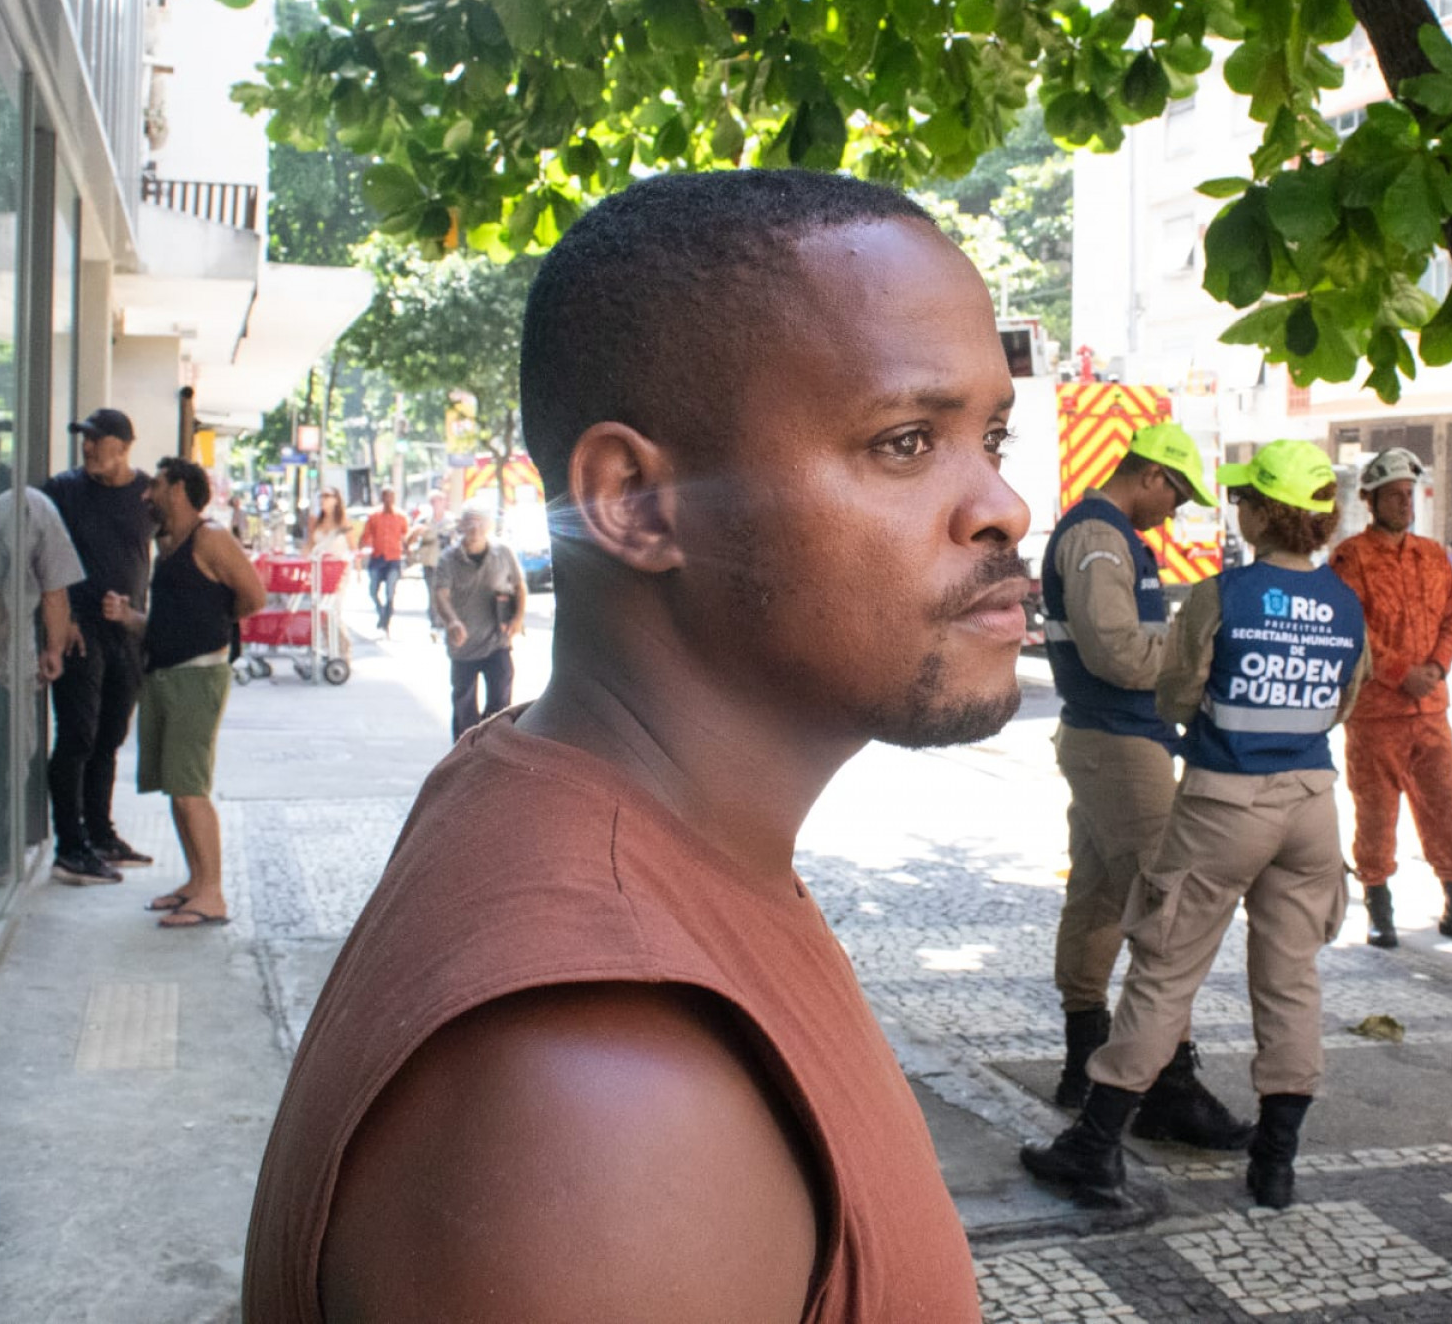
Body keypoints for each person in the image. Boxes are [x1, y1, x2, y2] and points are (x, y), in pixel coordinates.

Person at [244, 171, 1018, 1322]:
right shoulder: (603, 1105)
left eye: (990, 435)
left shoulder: (571, 800)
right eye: (906, 441)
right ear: (634, 502)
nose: (1001, 502)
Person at [1020, 440, 1368, 1212]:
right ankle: (1274, 1165)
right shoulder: (1346, 602)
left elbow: (1178, 693)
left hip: (1226, 801)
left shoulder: (1223, 593)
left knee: (1165, 965)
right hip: (1313, 804)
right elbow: (1345, 699)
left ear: (1263, 510)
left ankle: (1097, 1141)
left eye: (1242, 498)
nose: (1221, 508)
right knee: (1290, 979)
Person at [1039, 420, 1248, 1149]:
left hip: (1109, 740)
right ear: (1152, 475)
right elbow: (1118, 651)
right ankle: (1169, 1084)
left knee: (1098, 897)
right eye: (1177, 493)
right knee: (1168, 911)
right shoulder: (1099, 538)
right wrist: (1194, 647)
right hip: (1121, 744)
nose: (1174, 509)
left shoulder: (1110, 535)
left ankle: (1082, 1061)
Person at [1329, 448, 1452, 951]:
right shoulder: (1352, 559)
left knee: (1445, 809)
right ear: (1370, 500)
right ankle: (1379, 908)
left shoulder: (1432, 556)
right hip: (1377, 714)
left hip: (1430, 710)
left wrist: (1436, 668)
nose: (1405, 504)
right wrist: (1400, 673)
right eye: (1394, 496)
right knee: (1376, 814)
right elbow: (1351, 630)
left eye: (1410, 495)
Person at [101, 458, 266, 928]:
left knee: (190, 788)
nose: (146, 493)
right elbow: (166, 622)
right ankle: (196, 882)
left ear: (177, 490)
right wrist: (129, 617)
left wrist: (213, 624)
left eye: (155, 484)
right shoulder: (167, 544)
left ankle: (212, 893)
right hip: (165, 674)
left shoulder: (211, 537)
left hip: (197, 677)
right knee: (176, 787)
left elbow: (253, 596)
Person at [42, 407, 155, 885]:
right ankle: (70, 845)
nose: (87, 447)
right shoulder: (62, 490)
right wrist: (57, 620)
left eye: (98, 439)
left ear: (124, 447)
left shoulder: (149, 494)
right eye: (84, 438)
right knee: (77, 736)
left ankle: (100, 833)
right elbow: (38, 557)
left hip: (125, 633)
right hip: (77, 633)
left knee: (109, 738)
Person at [0, 488, 84, 886]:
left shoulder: (4, 507)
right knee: (8, 752)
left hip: (6, 648)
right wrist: (51, 648)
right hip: (8, 655)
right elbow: (53, 591)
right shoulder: (28, 507)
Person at [432, 498, 526, 742]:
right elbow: (440, 595)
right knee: (463, 703)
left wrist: (518, 617)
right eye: (469, 524)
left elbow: (519, 586)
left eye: (479, 524)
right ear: (461, 526)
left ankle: (492, 746)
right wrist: (451, 621)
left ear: (487, 527)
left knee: (501, 699)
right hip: (463, 644)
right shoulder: (448, 559)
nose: (474, 529)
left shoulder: (503, 553)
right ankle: (465, 750)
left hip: (498, 641)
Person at [305, 489, 356, 660]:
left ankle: (343, 649)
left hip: (338, 573)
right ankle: (329, 648)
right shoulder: (315, 521)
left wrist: (358, 570)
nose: (323, 500)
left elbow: (352, 547)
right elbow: (309, 545)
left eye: (327, 496)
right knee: (321, 612)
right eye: (321, 496)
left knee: (334, 610)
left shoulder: (343, 523)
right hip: (319, 572)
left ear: (336, 500)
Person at [356, 485, 408, 635]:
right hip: (378, 558)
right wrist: (359, 548)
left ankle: (386, 619)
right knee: (373, 591)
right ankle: (382, 614)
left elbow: (405, 536)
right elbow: (366, 535)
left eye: (390, 496)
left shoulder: (400, 517)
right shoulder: (374, 517)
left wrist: (407, 551)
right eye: (385, 496)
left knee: (390, 592)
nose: (388, 499)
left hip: (394, 558)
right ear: (382, 498)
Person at [406, 492, 452, 641]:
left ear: (444, 502)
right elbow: (410, 540)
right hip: (430, 563)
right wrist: (418, 533)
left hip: (447, 564)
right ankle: (435, 624)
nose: (436, 504)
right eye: (433, 501)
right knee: (433, 594)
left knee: (447, 594)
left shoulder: (451, 521)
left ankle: (445, 622)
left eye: (439, 501)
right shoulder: (424, 521)